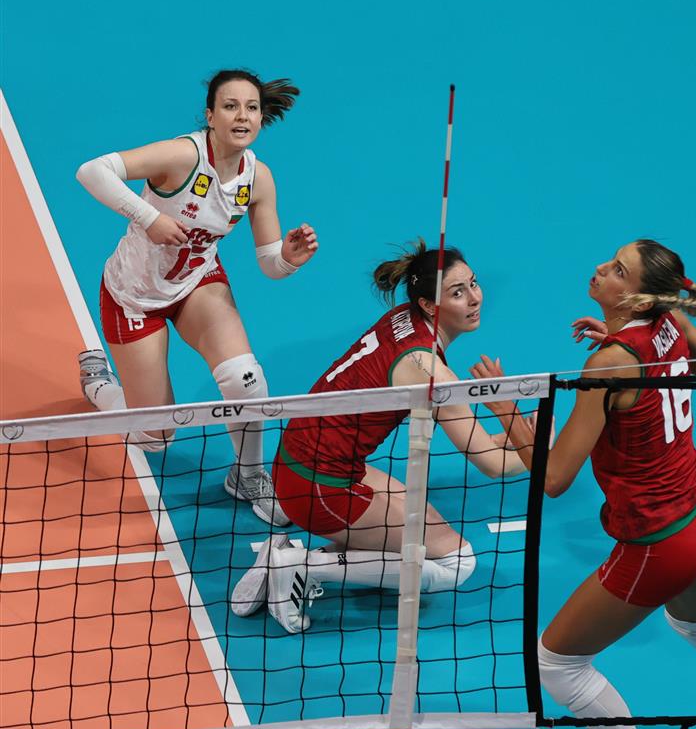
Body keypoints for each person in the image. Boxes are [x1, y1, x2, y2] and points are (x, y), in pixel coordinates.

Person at [472, 239, 696, 729]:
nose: (601, 268)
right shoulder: (667, 325)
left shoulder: (608, 364)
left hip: (661, 541)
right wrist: (623, 341)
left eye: (618, 270)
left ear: (637, 297)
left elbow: (554, 478)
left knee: (557, 664)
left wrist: (506, 411)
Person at [231, 239, 531, 634]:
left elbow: (480, 441)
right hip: (320, 488)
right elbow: (493, 465)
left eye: (473, 284)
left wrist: (516, 435)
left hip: (297, 462)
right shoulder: (429, 371)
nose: (475, 298)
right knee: (455, 563)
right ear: (429, 305)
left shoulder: (402, 318)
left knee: (406, 526)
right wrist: (537, 450)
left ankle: (281, 554)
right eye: (458, 292)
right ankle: (302, 566)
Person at [75, 69, 318, 526]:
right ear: (210, 115)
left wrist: (289, 258)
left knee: (245, 379)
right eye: (230, 106)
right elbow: (92, 171)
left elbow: (270, 264)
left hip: (197, 282)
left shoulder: (258, 178)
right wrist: (149, 217)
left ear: (261, 117)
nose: (242, 116)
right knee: (156, 437)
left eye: (251, 108)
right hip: (134, 296)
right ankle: (102, 388)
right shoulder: (183, 156)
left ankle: (248, 475)